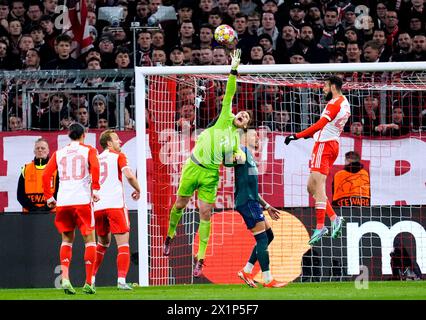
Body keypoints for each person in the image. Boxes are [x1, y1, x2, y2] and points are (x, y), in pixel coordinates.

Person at [163, 49, 251, 277]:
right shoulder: (224, 118)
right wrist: (233, 69)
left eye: (246, 118)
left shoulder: (234, 141)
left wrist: (236, 159)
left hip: (211, 175)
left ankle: (200, 259)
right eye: (242, 113)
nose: (242, 114)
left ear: (244, 126)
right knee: (180, 204)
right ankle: (169, 236)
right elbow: (230, 93)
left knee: (204, 214)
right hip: (193, 167)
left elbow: (228, 164)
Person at [284, 76, 350, 245]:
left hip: (324, 146)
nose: (323, 89)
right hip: (330, 143)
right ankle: (334, 218)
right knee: (311, 187)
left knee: (319, 187)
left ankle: (320, 226)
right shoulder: (345, 102)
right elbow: (328, 127)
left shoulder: (335, 103)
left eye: (325, 86)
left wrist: (297, 136)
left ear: (333, 86)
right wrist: (312, 136)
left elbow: (321, 124)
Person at [42, 123, 100, 295]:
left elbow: (46, 174)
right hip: (82, 200)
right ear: (84, 134)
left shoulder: (59, 153)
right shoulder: (89, 149)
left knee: (66, 240)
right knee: (90, 240)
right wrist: (95, 189)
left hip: (64, 201)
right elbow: (95, 167)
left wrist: (49, 197)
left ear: (69, 136)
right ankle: (89, 282)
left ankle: (65, 278)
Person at [235, 128, 287, 288]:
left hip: (253, 201)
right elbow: (229, 158)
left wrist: (267, 206)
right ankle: (268, 279)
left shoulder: (249, 156)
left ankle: (246, 270)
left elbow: (253, 189)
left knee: (269, 236)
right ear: (243, 137)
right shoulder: (240, 152)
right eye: (253, 134)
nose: (257, 136)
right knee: (262, 239)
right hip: (246, 202)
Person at [91, 130, 140, 290]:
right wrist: (139, 189)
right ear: (109, 143)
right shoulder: (119, 156)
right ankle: (121, 280)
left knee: (102, 243)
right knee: (123, 244)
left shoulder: (96, 159)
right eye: (117, 139)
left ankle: (90, 278)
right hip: (115, 205)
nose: (120, 142)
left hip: (98, 207)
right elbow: (129, 175)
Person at [17, 138, 58, 213]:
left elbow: (58, 194)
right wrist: (34, 209)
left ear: (48, 151)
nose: (40, 150)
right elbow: (20, 195)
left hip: (50, 214)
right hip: (29, 214)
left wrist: (44, 209)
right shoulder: (25, 169)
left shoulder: (56, 169)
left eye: (43, 148)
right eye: (37, 148)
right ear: (34, 151)